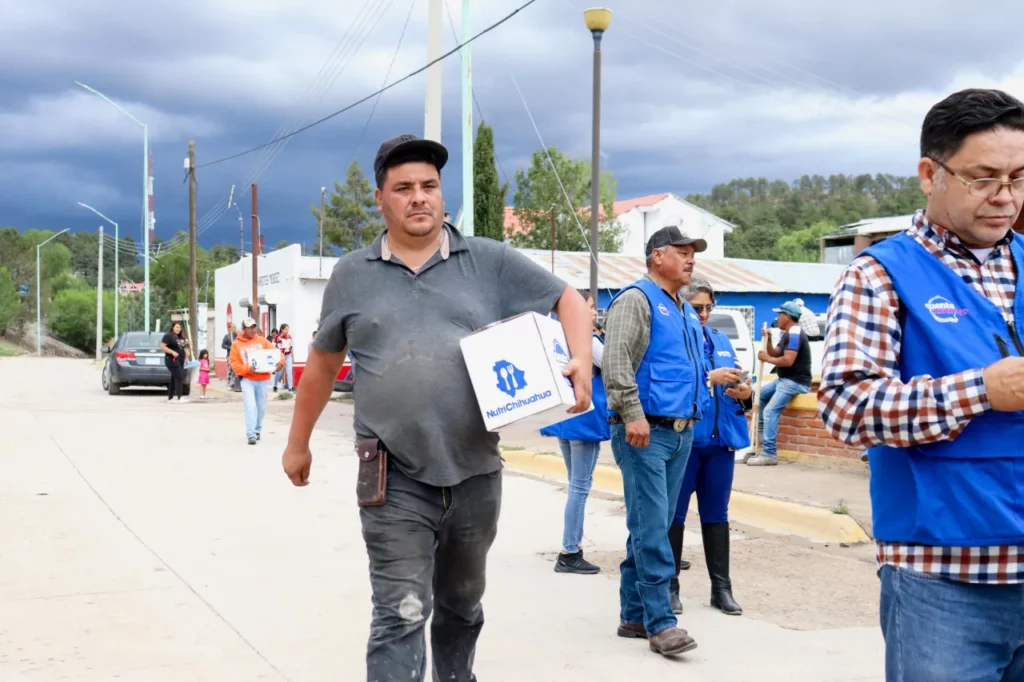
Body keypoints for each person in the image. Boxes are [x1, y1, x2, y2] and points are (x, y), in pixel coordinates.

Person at [280, 133, 593, 682]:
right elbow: (323, 365)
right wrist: (296, 442)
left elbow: (570, 300)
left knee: (460, 606)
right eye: (403, 188)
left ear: (443, 196)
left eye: (429, 186)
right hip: (392, 475)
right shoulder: (352, 274)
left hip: (476, 472)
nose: (418, 197)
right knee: (400, 613)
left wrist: (581, 360)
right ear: (381, 199)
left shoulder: (489, 261)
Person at [820, 88, 1024, 682]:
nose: (1006, 197)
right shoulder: (880, 274)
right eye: (984, 178)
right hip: (943, 577)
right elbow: (845, 407)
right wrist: (981, 390)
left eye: (1018, 177)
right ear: (930, 174)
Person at [603, 225, 709, 656]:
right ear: (657, 256)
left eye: (693, 253)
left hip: (679, 432)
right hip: (644, 431)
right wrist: (632, 413)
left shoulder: (682, 307)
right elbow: (615, 361)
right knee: (652, 527)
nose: (691, 259)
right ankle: (661, 622)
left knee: (652, 524)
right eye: (682, 252)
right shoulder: (636, 299)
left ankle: (632, 613)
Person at [669, 277, 749, 616]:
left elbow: (743, 386)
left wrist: (746, 394)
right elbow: (672, 383)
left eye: (708, 307)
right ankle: (669, 587)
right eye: (697, 307)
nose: (704, 313)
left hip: (721, 442)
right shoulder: (674, 339)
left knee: (717, 515)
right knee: (674, 516)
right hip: (686, 441)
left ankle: (721, 588)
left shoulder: (720, 339)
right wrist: (707, 379)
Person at [540, 290, 610, 575]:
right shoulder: (588, 342)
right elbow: (611, 364)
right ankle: (570, 551)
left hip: (564, 419)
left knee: (574, 485)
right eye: (590, 307)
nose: (593, 312)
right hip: (584, 420)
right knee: (580, 487)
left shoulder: (557, 337)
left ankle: (572, 547)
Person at [746, 301, 812, 466]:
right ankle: (760, 438)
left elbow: (788, 361)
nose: (777, 318)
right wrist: (767, 340)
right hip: (784, 380)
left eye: (780, 314)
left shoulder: (795, 334)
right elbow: (775, 353)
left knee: (769, 411)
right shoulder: (787, 334)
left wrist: (767, 359)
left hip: (795, 382)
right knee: (759, 396)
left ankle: (769, 453)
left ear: (787, 316)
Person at [230, 317, 284, 445]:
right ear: (243, 329)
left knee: (261, 407)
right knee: (250, 406)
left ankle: (257, 429)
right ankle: (251, 433)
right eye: (249, 327)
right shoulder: (236, 345)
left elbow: (277, 353)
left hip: (262, 379)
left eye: (254, 327)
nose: (253, 330)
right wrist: (248, 369)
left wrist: (281, 362)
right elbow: (234, 364)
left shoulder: (262, 342)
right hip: (247, 379)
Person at [160, 321, 190, 404]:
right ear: (173, 327)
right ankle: (179, 397)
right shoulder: (168, 336)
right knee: (180, 377)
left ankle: (170, 398)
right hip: (171, 360)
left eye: (179, 328)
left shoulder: (182, 337)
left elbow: (185, 348)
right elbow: (162, 346)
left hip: (180, 360)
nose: (178, 329)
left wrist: (187, 354)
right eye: (176, 327)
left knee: (174, 378)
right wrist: (172, 352)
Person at [274, 323, 294, 392]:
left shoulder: (289, 337)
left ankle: (290, 388)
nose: (287, 330)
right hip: (281, 355)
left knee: (289, 371)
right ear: (282, 329)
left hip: (288, 355)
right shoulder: (278, 337)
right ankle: (275, 385)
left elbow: (291, 347)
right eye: (285, 329)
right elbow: (276, 348)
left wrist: (292, 357)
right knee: (279, 371)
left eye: (288, 329)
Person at [222, 323, 240, 392]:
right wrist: (229, 347)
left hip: (236, 355)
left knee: (235, 370)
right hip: (230, 355)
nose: (234, 329)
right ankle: (229, 383)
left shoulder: (237, 336)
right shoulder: (227, 337)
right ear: (230, 328)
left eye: (235, 327)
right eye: (233, 327)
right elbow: (223, 345)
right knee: (230, 370)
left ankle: (233, 383)